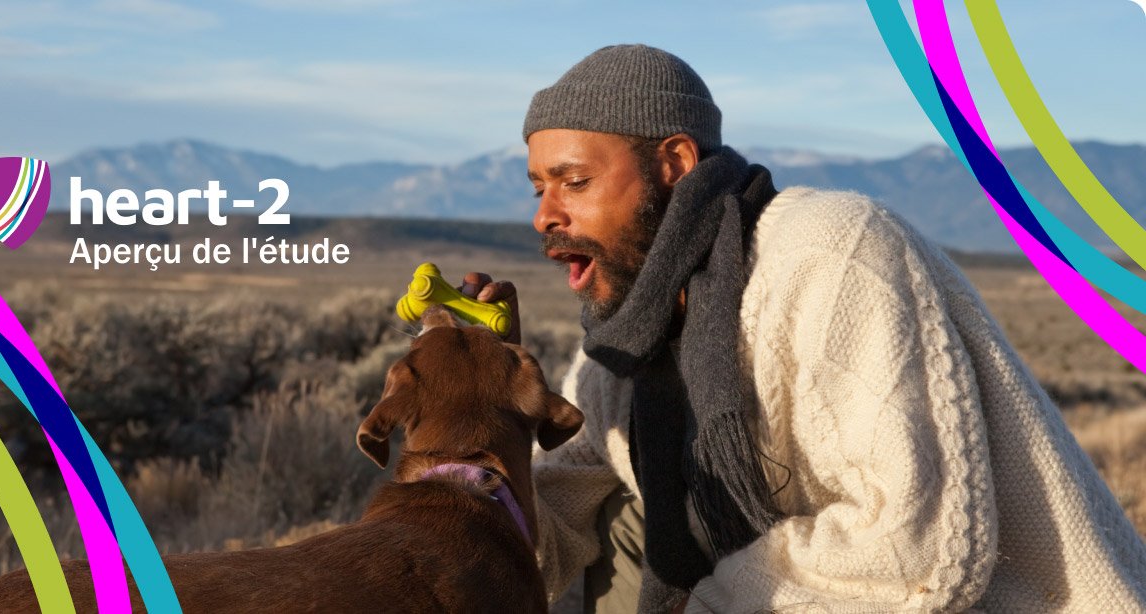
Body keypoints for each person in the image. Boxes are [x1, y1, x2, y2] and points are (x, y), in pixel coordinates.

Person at [457, 44, 1146, 613]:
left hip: (986, 602)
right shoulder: (625, 340)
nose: (544, 216)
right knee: (614, 510)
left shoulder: (831, 253)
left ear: (674, 165)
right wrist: (483, 406)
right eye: (536, 188)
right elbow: (534, 555)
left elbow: (917, 554)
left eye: (572, 182)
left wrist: (708, 605)